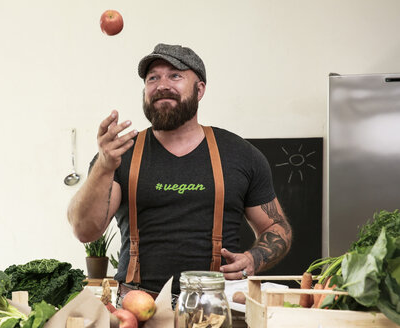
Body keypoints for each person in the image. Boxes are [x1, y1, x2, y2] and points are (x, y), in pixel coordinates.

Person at [68, 43, 292, 304]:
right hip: (137, 309)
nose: (162, 85)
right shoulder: (119, 155)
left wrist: (254, 258)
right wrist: (104, 166)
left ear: (200, 90)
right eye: (153, 78)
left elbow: (277, 226)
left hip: (216, 309)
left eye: (175, 75)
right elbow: (84, 230)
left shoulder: (241, 154)